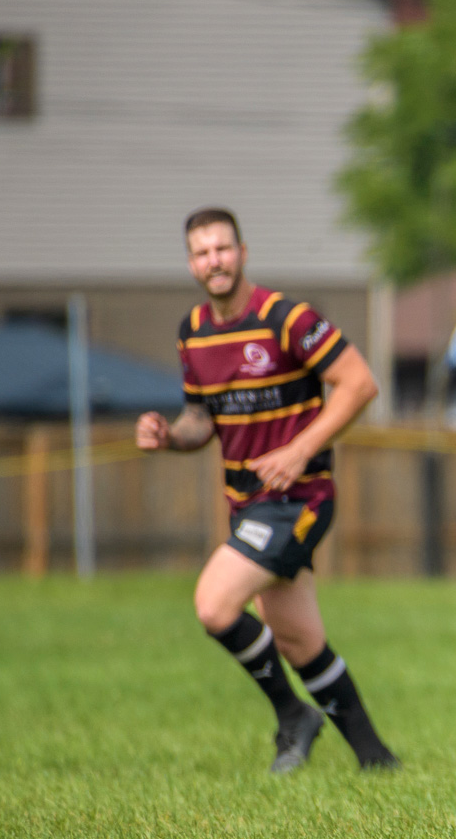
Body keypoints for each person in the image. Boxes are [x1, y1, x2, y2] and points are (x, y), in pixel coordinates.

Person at [135, 207, 398, 773]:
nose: (215, 261)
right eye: (203, 253)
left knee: (214, 604)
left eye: (223, 249)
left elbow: (360, 383)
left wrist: (302, 448)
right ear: (191, 264)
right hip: (247, 504)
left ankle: (293, 716)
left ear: (243, 252)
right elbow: (201, 421)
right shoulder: (194, 333)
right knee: (299, 641)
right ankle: (378, 762)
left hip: (299, 500)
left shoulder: (287, 318)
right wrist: (169, 436)